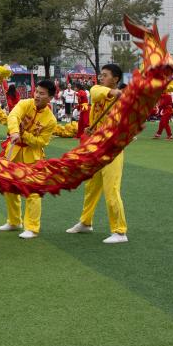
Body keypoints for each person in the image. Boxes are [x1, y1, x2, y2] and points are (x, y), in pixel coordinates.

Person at [66, 64, 129, 244]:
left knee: (111, 189)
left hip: (111, 150)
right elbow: (95, 92)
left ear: (116, 79)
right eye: (101, 75)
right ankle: (86, 222)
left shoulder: (123, 102)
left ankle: (120, 231)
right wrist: (91, 130)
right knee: (91, 187)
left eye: (105, 75)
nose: (101, 78)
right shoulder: (99, 91)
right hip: (95, 147)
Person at [0, 80, 57, 239]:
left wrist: (24, 135)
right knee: (9, 186)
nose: (37, 95)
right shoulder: (24, 103)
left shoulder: (51, 120)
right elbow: (13, 116)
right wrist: (15, 132)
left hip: (33, 156)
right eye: (36, 91)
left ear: (50, 98)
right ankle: (14, 221)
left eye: (42, 93)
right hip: (14, 151)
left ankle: (32, 227)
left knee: (33, 191)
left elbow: (42, 142)